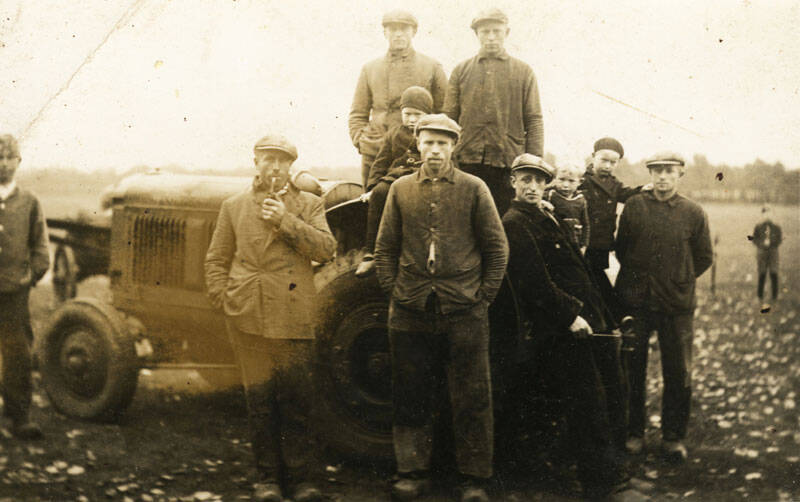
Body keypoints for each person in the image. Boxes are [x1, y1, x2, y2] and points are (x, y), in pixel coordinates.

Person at [374, 114, 508, 502]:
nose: (435, 150)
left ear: (454, 147)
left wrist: (483, 297)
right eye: (429, 142)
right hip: (410, 307)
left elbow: (497, 248)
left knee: (472, 395)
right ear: (417, 144)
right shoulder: (400, 189)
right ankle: (412, 472)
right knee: (410, 391)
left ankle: (474, 478)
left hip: (464, 308)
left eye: (443, 143)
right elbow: (385, 249)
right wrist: (395, 291)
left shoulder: (474, 188)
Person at [204, 134, 336, 502]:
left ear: (291, 166)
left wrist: (285, 221)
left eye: (282, 160)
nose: (275, 167)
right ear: (256, 162)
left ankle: (302, 480)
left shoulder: (309, 204)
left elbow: (326, 250)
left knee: (296, 399)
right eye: (268, 159)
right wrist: (224, 297)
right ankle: (267, 481)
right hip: (247, 315)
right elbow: (216, 259)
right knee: (259, 401)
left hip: (292, 317)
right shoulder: (233, 206)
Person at [501, 154, 634, 499]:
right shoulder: (515, 222)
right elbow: (533, 282)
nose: (532, 187)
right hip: (560, 327)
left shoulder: (545, 214)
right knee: (587, 400)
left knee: (608, 392)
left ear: (546, 185)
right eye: (525, 180)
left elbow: (577, 267)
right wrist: (569, 317)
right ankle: (599, 483)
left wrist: (602, 315)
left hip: (586, 320)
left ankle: (606, 470)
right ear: (513, 182)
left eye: (538, 181)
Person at [615, 152, 713, 463]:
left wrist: (677, 280)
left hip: (676, 305)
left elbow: (703, 257)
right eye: (656, 171)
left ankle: (673, 437)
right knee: (631, 371)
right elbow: (622, 250)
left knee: (678, 371)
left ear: (680, 174)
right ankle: (633, 433)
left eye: (669, 171)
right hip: (637, 302)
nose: (662, 177)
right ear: (650, 174)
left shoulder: (693, 212)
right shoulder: (634, 207)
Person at [443, 7, 544, 216]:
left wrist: (532, 165)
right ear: (476, 34)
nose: (490, 37)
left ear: (506, 33)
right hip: (467, 163)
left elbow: (534, 120)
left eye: (496, 31)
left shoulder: (523, 72)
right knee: (466, 220)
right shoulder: (461, 71)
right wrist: (449, 158)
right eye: (485, 32)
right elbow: (448, 120)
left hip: (507, 164)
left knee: (504, 225)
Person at [349, 9, 447, 191]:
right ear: (385, 32)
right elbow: (358, 112)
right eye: (393, 29)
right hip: (374, 150)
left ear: (414, 32)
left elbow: (444, 114)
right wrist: (361, 140)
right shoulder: (370, 68)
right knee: (373, 203)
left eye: (404, 29)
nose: (398, 34)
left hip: (413, 154)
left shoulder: (431, 67)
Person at [0, 134, 49, 440]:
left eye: (9, 158)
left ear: (19, 162)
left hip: (14, 293)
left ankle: (20, 417)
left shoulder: (29, 202)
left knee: (17, 352)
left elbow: (41, 249)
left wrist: (27, 278)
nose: (3, 164)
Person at [356, 86, 432, 277]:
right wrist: (372, 188)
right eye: (407, 114)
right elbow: (380, 163)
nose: (412, 119)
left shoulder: (431, 135)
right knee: (380, 194)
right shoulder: (394, 134)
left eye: (418, 114)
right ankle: (371, 252)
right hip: (392, 180)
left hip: (421, 180)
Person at [579, 137, 640, 320]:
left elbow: (629, 194)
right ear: (593, 157)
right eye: (604, 160)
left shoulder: (615, 185)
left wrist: (645, 189)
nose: (608, 166)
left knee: (596, 279)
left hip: (602, 243)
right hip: (582, 243)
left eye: (613, 162)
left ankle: (607, 319)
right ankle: (613, 316)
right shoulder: (581, 180)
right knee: (589, 279)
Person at [545, 162, 590, 252]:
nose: (565, 185)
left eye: (571, 181)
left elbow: (585, 224)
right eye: (561, 179)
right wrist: (542, 203)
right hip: (554, 242)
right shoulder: (550, 195)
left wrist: (584, 245)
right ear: (555, 179)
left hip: (574, 242)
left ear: (580, 182)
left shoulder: (581, 200)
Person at [751, 205, 782, 310]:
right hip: (762, 253)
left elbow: (779, 240)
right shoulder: (758, 227)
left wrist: (771, 243)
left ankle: (775, 297)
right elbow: (754, 240)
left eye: (769, 213)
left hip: (773, 253)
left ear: (772, 214)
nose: (767, 215)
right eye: (765, 213)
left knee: (774, 274)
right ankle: (759, 296)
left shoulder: (776, 227)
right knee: (762, 274)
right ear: (762, 214)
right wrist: (762, 244)